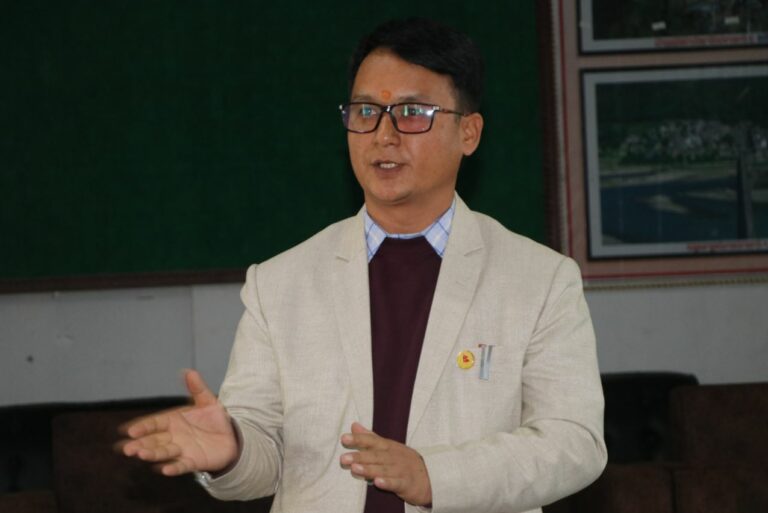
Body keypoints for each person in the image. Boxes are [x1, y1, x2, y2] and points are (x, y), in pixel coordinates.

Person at [119, 17, 607, 513]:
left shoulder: (539, 280)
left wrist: (434, 476)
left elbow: (574, 442)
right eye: (366, 111)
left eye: (412, 112)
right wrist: (233, 452)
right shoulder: (279, 283)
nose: (383, 135)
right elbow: (264, 459)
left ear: (469, 132)